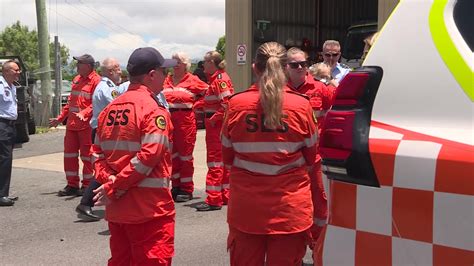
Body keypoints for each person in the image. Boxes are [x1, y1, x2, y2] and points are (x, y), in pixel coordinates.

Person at [222, 42, 318, 265]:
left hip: (246, 211)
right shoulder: (302, 106)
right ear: (285, 68)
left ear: (255, 67)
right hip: (290, 210)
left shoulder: (235, 104)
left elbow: (227, 158)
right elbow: (312, 158)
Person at [91, 47, 176, 265]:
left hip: (118, 211)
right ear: (151, 75)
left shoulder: (109, 110)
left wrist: (110, 182)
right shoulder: (154, 111)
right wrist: (114, 185)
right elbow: (148, 157)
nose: (167, 78)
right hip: (149, 211)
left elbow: (96, 155)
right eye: (164, 72)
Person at [287, 47, 330, 249]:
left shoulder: (320, 89)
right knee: (291, 205)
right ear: (285, 67)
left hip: (315, 159)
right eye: (294, 64)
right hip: (288, 161)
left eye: (303, 64)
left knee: (319, 202)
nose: (299, 68)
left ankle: (318, 249)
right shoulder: (277, 90)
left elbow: (333, 115)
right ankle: (294, 249)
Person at [75, 57, 122, 221]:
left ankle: (89, 202)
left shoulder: (106, 86)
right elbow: (119, 105)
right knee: (105, 169)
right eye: (117, 68)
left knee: (106, 168)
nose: (120, 71)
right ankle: (86, 202)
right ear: (110, 71)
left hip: (101, 131)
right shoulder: (108, 88)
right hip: (103, 132)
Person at [49, 54, 101, 196]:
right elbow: (70, 104)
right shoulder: (77, 80)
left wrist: (85, 113)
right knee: (69, 156)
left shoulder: (97, 82)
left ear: (89, 66)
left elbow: (96, 104)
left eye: (80, 63)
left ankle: (87, 186)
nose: (77, 66)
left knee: (87, 158)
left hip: (86, 126)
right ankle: (72, 185)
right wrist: (60, 118)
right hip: (72, 126)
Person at [163, 52, 208, 202]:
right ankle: (175, 185)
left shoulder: (193, 80)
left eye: (179, 62)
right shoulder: (166, 80)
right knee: (172, 155)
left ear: (185, 65)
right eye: (174, 61)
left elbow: (210, 93)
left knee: (185, 156)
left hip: (185, 120)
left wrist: (197, 105)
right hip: (168, 119)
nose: (175, 64)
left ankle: (186, 188)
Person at [196, 51, 234, 211]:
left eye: (205, 61)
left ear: (212, 62)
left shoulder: (219, 80)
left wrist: (213, 119)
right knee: (222, 163)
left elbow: (227, 105)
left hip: (216, 127)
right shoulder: (217, 79)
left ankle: (213, 199)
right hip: (217, 125)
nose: (203, 64)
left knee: (215, 162)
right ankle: (224, 195)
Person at [0, 60, 21, 207]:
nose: (18, 72)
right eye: (16, 70)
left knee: (5, 160)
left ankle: (3, 193)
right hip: (2, 125)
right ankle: (2, 195)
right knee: (5, 160)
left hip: (10, 126)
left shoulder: (12, 86)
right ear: (6, 71)